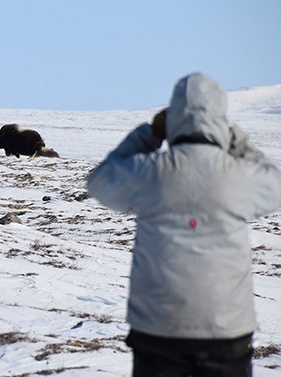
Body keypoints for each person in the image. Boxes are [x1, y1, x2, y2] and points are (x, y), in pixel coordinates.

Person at [87, 73, 281, 376]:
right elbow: (275, 183)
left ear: (172, 119)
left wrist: (149, 134)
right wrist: (236, 139)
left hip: (158, 326)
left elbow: (99, 181)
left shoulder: (149, 171)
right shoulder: (237, 174)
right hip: (225, 327)